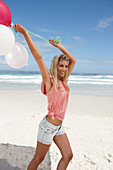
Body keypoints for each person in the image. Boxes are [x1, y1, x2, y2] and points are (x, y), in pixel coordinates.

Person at [13, 24, 77, 170]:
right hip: (48, 127)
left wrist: (59, 46)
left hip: (58, 126)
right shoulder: (50, 81)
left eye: (66, 66)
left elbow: (74, 60)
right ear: (55, 66)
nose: (64, 69)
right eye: (61, 66)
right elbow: (38, 57)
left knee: (68, 156)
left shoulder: (64, 81)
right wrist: (24, 33)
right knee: (38, 159)